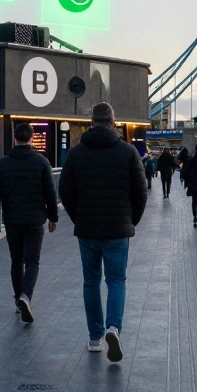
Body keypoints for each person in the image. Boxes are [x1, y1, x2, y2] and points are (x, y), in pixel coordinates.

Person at [59, 102, 148, 362]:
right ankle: (113, 328)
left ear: (91, 122)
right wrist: (130, 221)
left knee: (91, 282)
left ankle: (95, 338)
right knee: (116, 281)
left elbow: (65, 191)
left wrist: (78, 217)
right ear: (113, 121)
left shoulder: (76, 153)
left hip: (87, 229)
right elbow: (140, 191)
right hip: (118, 229)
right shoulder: (128, 152)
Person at [0, 122, 59, 324]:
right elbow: (50, 193)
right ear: (32, 138)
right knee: (32, 261)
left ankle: (19, 300)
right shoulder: (41, 162)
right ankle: (26, 296)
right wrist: (53, 217)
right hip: (35, 219)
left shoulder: (3, 164)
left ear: (14, 138)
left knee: (16, 261)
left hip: (13, 220)